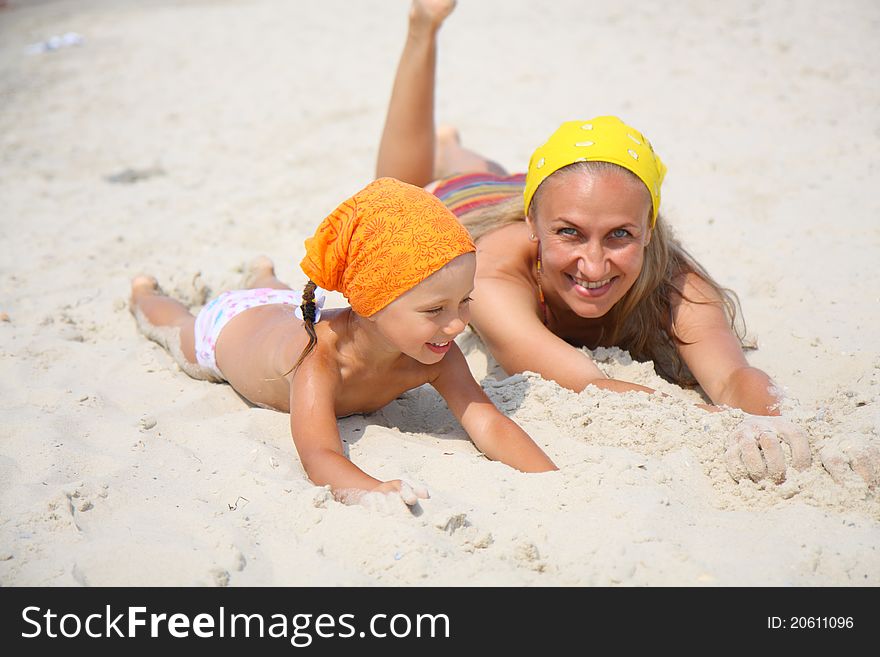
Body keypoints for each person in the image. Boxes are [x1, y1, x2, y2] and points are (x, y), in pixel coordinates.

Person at [374, 0, 814, 484]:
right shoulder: (492, 273)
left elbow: (733, 378)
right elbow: (590, 383)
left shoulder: (677, 283)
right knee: (399, 195)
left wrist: (773, 420)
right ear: (533, 226)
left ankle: (458, 150)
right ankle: (424, 36)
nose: (594, 263)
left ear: (649, 229)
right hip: (468, 209)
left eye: (621, 236)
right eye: (570, 235)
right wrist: (724, 425)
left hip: (562, 191)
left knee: (500, 177)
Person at [130, 177, 557, 507]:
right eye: (435, 310)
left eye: (465, 302)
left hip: (287, 308)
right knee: (178, 328)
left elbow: (488, 422)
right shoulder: (318, 359)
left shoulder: (435, 353)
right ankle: (144, 294)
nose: (456, 325)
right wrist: (376, 491)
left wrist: (551, 478)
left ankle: (264, 275)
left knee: (278, 293)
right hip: (228, 329)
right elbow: (320, 455)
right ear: (371, 304)